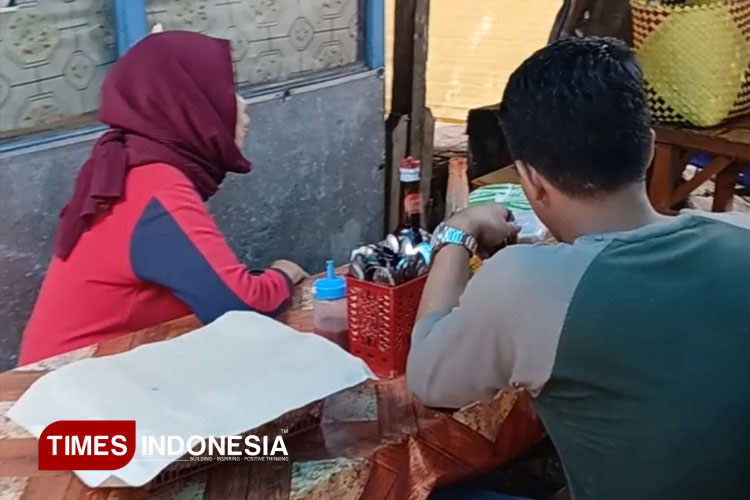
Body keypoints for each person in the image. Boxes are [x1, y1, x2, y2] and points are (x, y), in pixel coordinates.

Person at [410, 37, 750, 500]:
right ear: (648, 147)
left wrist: (456, 235)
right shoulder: (740, 234)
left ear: (530, 178)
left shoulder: (529, 283)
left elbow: (430, 382)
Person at [18, 31, 307, 365]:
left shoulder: (130, 163)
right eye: (225, 91)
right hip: (68, 398)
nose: (244, 105)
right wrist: (285, 273)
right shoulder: (154, 184)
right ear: (187, 103)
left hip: (79, 375)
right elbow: (242, 306)